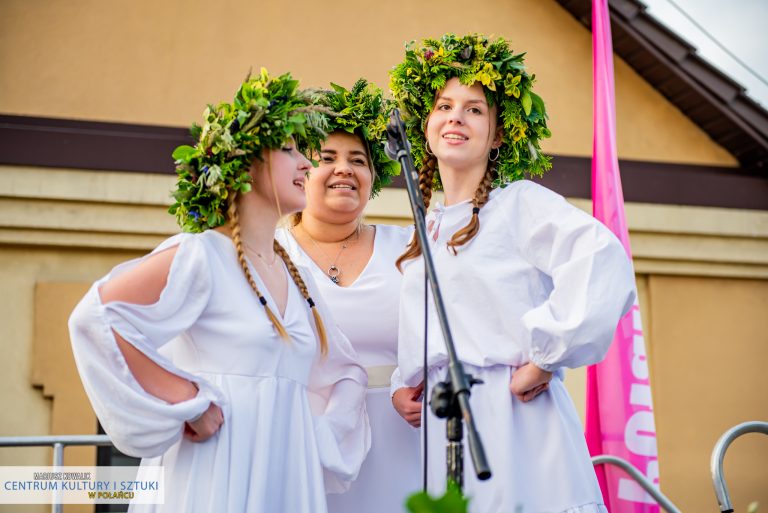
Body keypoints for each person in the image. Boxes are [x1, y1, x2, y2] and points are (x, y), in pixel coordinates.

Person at [68, 69, 370, 513]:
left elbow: (346, 370)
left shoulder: (295, 277)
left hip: (281, 477)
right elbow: (97, 316)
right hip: (214, 474)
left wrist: (317, 440)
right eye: (288, 150)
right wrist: (187, 401)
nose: (308, 164)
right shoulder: (203, 255)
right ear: (245, 164)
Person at [389, 34, 637, 513]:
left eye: (475, 109)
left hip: (511, 417)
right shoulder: (424, 231)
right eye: (444, 106)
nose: (456, 116)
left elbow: (601, 256)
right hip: (442, 428)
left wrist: (547, 356)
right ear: (426, 125)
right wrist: (405, 383)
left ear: (497, 135)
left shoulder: (518, 204)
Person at [275, 79, 421, 513]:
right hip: (307, 440)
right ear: (301, 170)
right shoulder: (269, 255)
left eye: (358, 160)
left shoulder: (413, 247)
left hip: (404, 436)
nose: (344, 169)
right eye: (327, 158)